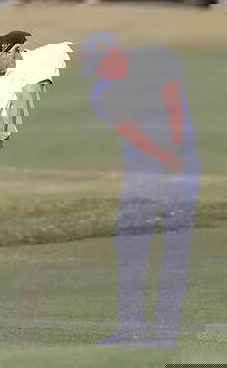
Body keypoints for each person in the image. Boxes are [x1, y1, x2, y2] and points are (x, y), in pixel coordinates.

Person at [77, 31, 199, 347]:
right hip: (140, 172)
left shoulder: (153, 56)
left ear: (112, 54)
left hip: (182, 165)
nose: (98, 73)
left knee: (173, 248)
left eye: (98, 65)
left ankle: (164, 333)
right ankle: (130, 328)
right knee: (131, 248)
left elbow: (172, 99)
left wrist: (176, 149)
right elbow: (133, 135)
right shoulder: (101, 93)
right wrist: (164, 156)